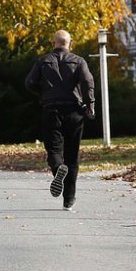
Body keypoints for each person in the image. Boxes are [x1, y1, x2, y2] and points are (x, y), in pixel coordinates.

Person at [25, 30, 96, 211]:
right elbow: (88, 81)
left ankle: (58, 169)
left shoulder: (43, 61)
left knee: (54, 149)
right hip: (74, 111)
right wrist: (90, 104)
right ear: (70, 44)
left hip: (51, 110)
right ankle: (69, 200)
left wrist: (44, 94)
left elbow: (29, 82)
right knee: (72, 155)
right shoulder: (79, 61)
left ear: (53, 43)